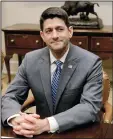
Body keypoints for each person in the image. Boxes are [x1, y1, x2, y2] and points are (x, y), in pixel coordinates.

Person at [1, 7, 103, 138]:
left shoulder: (91, 62)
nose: (55, 36)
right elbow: (10, 96)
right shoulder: (30, 60)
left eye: (60, 29)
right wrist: (15, 118)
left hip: (79, 132)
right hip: (40, 134)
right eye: (48, 31)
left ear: (70, 31)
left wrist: (46, 124)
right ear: (42, 36)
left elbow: (89, 107)